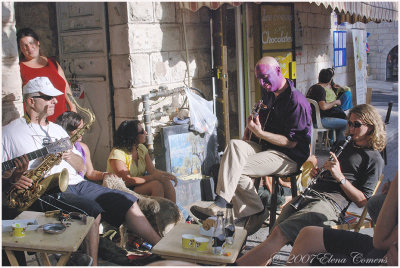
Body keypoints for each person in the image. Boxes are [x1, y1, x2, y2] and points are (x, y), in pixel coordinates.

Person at [2, 77, 161, 265]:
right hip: (45, 188)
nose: (54, 101)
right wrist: (13, 179)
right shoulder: (9, 132)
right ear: (31, 101)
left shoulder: (57, 130)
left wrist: (70, 155)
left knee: (126, 201)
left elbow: (81, 168)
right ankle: (91, 264)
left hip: (76, 183)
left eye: (54, 97)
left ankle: (161, 248)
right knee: (91, 212)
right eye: (48, 97)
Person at [236, 103, 386, 266]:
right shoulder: (344, 144)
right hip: (311, 194)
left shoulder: (374, 159)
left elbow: (363, 201)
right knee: (274, 233)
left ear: (371, 128)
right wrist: (320, 172)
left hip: (330, 204)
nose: (351, 128)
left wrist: (340, 177)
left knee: (280, 233)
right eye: (349, 123)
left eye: (356, 125)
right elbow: (329, 170)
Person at [190, 56, 312, 235]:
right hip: (265, 147)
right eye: (259, 79)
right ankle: (223, 202)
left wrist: (260, 133)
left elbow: (291, 141)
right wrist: (251, 129)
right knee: (234, 146)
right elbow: (259, 128)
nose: (262, 83)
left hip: (288, 155)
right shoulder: (269, 94)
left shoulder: (296, 101)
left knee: (236, 170)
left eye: (265, 77)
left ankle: (255, 210)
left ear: (279, 71)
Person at [287, 173, 397, 266]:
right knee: (308, 235)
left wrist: (394, 189)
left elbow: (380, 242)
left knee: (324, 259)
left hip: (387, 252)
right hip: (385, 248)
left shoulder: (373, 158)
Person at [106, 120, 177, 203]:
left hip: (137, 186)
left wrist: (167, 175)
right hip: (122, 189)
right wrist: (154, 177)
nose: (146, 133)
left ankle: (173, 213)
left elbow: (152, 170)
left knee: (166, 182)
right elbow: (127, 181)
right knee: (156, 186)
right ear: (133, 136)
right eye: (142, 131)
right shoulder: (117, 154)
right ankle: (156, 214)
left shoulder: (141, 148)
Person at [17, 27, 76, 122]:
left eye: (31, 43)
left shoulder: (53, 63)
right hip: (38, 122)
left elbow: (66, 88)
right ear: (20, 49)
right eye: (24, 45)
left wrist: (73, 108)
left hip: (62, 119)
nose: (29, 48)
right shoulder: (19, 68)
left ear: (38, 42)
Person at [56, 111, 109, 181]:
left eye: (83, 129)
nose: (82, 132)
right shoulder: (57, 146)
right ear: (67, 129)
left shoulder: (83, 147)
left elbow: (90, 173)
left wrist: (105, 175)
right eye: (78, 129)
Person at [306, 68, 351, 143]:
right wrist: (335, 102)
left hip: (311, 120)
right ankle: (339, 147)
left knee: (340, 120)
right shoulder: (321, 90)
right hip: (320, 120)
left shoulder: (313, 87)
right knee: (347, 124)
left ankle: (334, 144)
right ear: (330, 80)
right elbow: (323, 107)